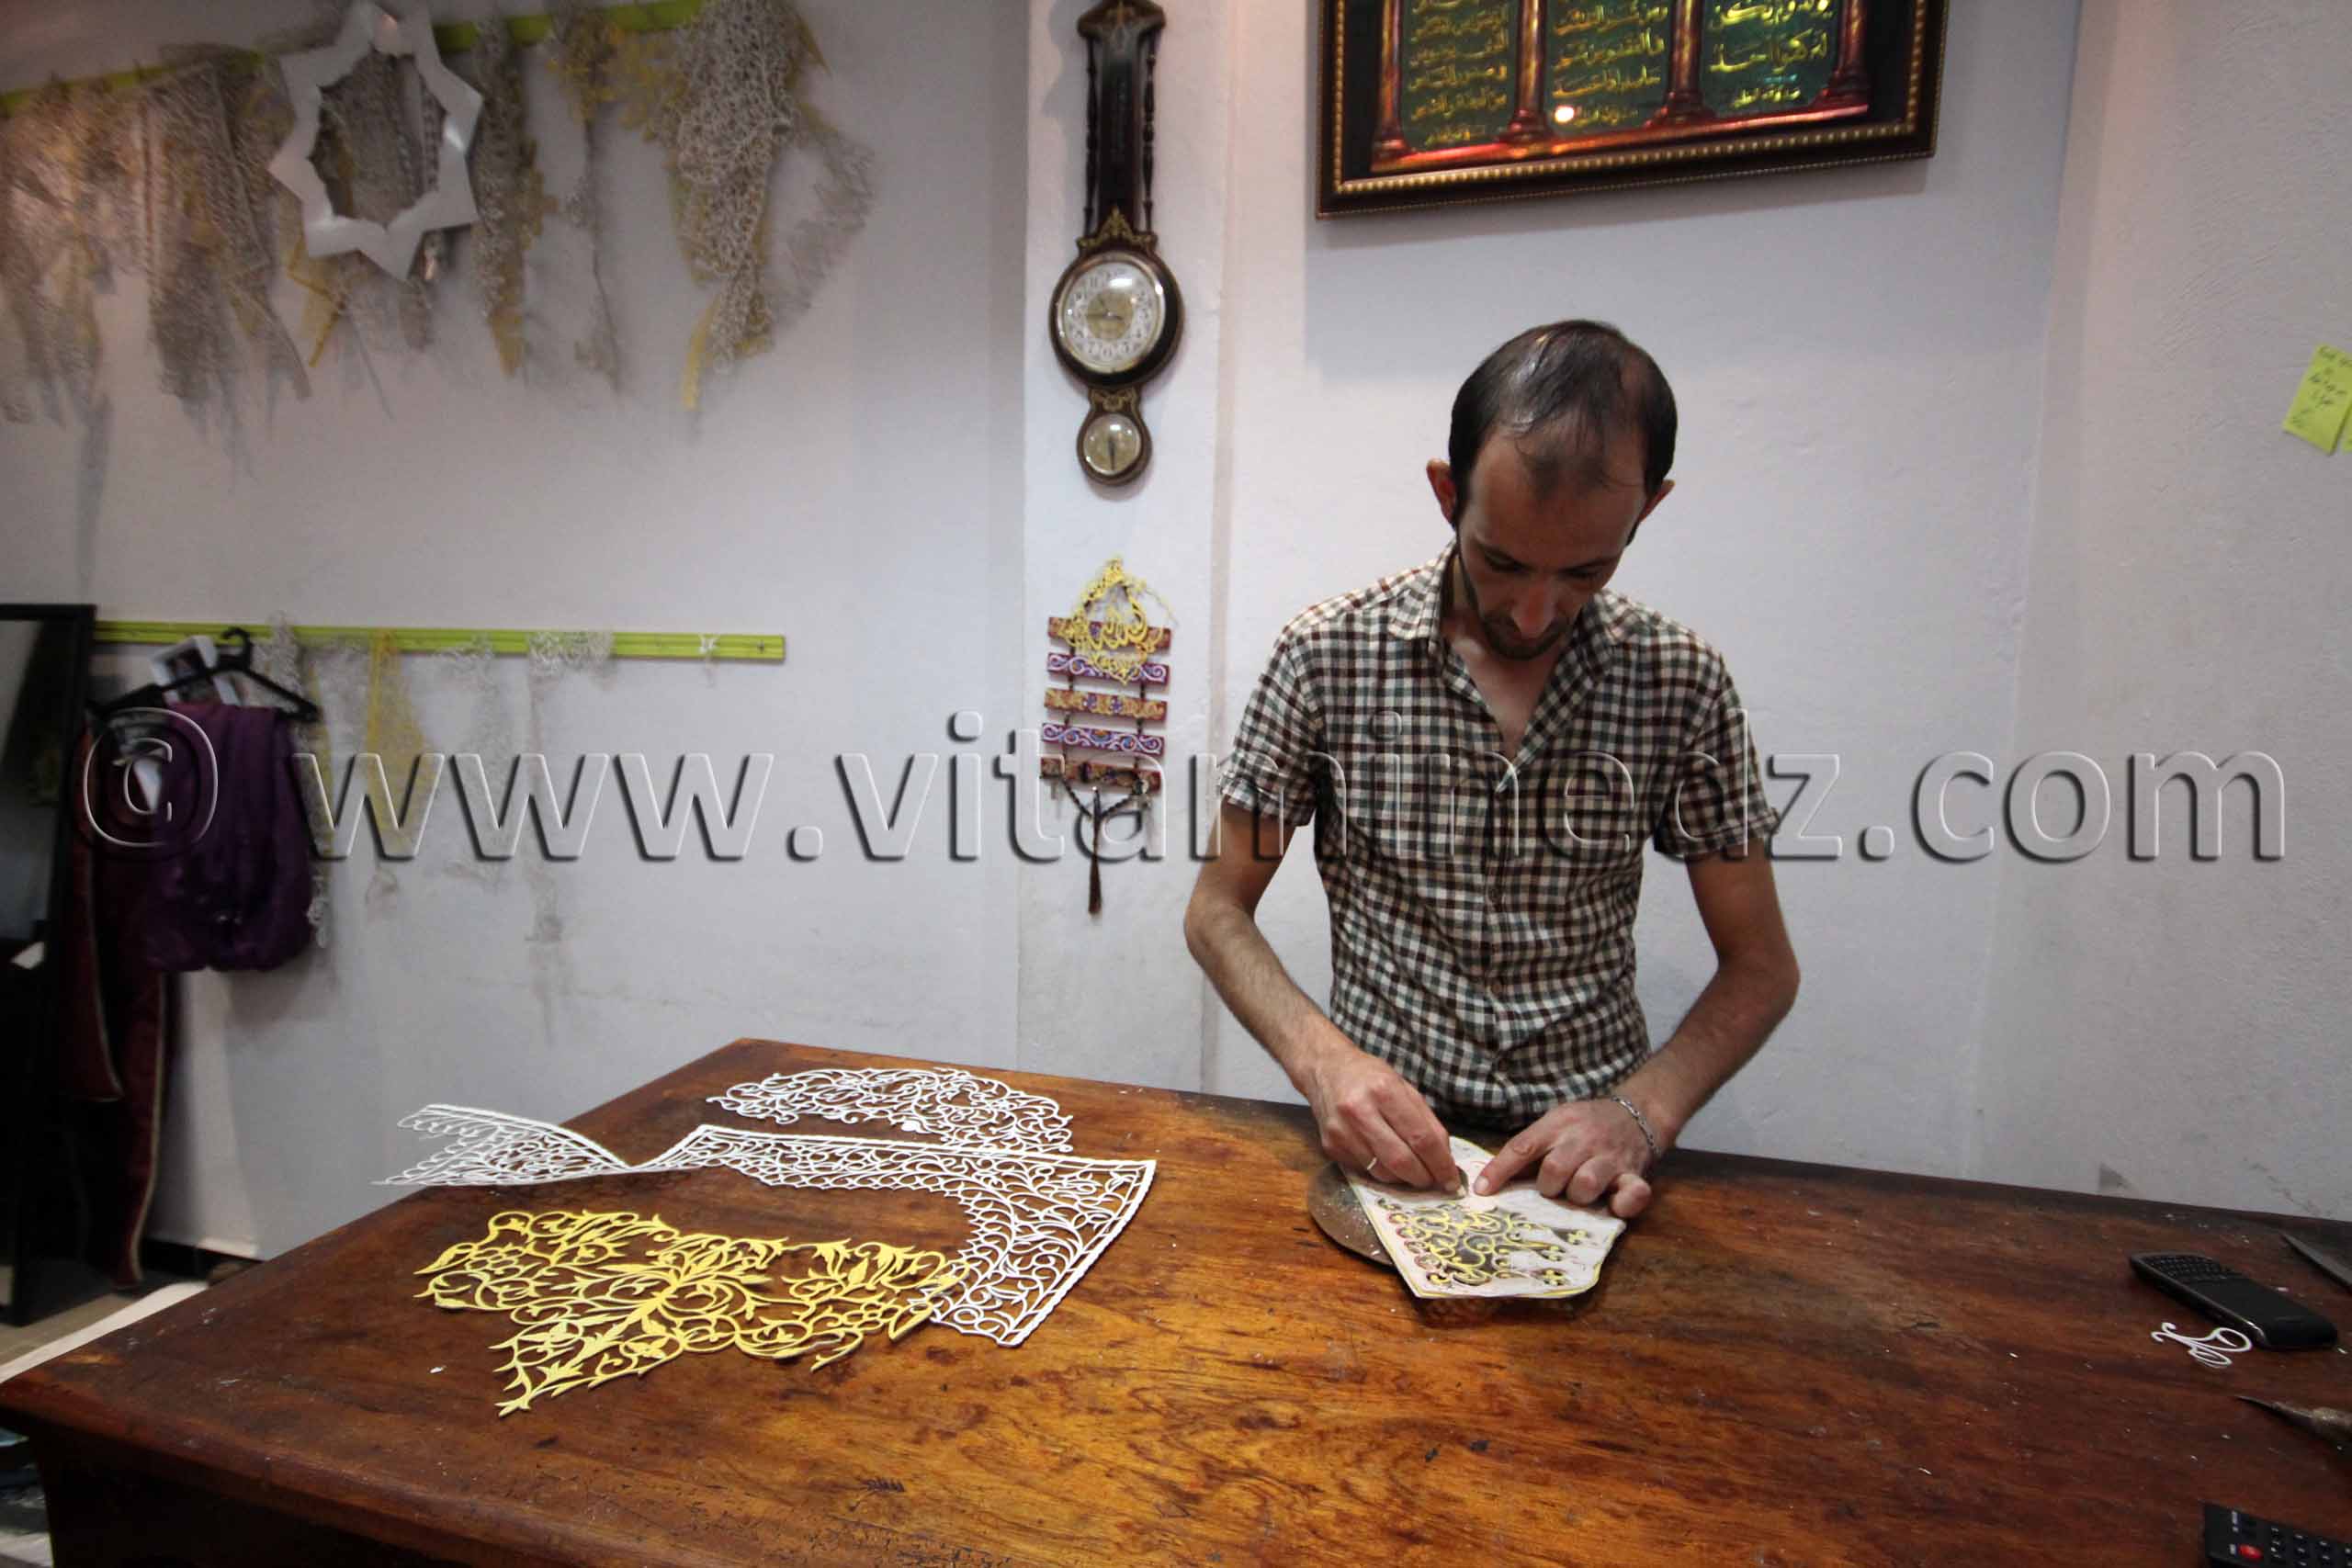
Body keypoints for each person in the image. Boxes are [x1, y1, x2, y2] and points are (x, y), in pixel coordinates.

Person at [1184, 321, 1798, 1220]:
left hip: (1582, 1168)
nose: (1534, 610)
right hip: (1388, 1151)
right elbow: (1216, 909)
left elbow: (1760, 968)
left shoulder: (1681, 682)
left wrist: (1640, 1112)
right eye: (1500, 561)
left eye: (1587, 570)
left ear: (1648, 511)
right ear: (1446, 494)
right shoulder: (1327, 657)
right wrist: (1324, 1064)